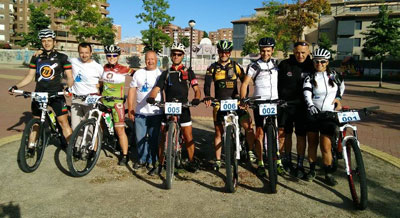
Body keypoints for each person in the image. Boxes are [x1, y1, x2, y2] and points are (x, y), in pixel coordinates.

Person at [8, 28, 73, 145]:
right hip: (39, 94)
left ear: (54, 42)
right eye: (44, 41)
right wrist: (16, 86)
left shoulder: (62, 57)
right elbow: (29, 76)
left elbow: (69, 77)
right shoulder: (36, 57)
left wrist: (69, 87)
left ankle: (72, 148)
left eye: (49, 40)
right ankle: (31, 147)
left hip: (56, 94)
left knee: (63, 122)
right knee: (36, 122)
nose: (46, 43)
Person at [147, 42, 201, 173]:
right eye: (174, 54)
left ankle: (191, 161)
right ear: (171, 56)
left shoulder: (188, 72)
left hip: (183, 107)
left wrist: (196, 98)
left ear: (183, 56)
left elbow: (196, 89)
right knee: (163, 137)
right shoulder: (166, 73)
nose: (176, 56)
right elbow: (157, 88)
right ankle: (160, 165)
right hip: (169, 107)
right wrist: (152, 97)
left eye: (179, 54)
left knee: (188, 136)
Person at [204, 40, 256, 171]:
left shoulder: (236, 66)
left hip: (236, 101)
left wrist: (244, 99)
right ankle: (217, 160)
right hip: (220, 103)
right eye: (221, 51)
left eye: (226, 52)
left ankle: (250, 151)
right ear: (218, 52)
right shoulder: (212, 68)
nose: (224, 54)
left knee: (248, 126)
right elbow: (207, 85)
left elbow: (245, 82)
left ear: (230, 52)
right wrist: (208, 97)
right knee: (218, 132)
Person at [303, 48, 345, 186]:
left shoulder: (333, 75)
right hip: (313, 114)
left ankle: (328, 173)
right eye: (316, 61)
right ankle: (312, 170)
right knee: (312, 143)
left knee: (326, 146)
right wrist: (310, 105)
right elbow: (307, 92)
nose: (319, 64)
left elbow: (341, 87)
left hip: (329, 114)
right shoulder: (310, 76)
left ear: (327, 62)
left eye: (322, 61)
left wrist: (338, 98)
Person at [240, 37, 279, 176]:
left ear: (272, 50)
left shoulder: (276, 64)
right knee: (260, 133)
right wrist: (243, 99)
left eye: (268, 50)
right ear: (260, 50)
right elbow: (245, 84)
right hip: (260, 102)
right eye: (263, 50)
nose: (265, 53)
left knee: (276, 131)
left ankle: (277, 159)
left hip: (275, 101)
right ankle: (261, 162)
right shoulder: (254, 65)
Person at [277, 41, 314, 178]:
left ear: (308, 52)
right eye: (297, 52)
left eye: (303, 52)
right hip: (285, 106)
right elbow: (276, 84)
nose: (300, 55)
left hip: (302, 108)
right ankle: (286, 160)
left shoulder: (312, 65)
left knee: (300, 136)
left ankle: (299, 164)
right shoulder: (285, 64)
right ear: (293, 51)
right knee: (285, 134)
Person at [127, 50, 163, 175]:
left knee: (154, 139)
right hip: (140, 112)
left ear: (157, 60)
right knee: (140, 137)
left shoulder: (161, 74)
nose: (150, 61)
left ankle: (153, 160)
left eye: (153, 59)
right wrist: (130, 107)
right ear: (145, 60)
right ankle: (142, 159)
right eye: (148, 59)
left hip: (156, 113)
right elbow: (132, 90)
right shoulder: (138, 73)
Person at [101, 44, 134, 166]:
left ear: (118, 56)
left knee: (119, 130)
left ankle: (125, 155)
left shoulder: (123, 69)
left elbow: (137, 75)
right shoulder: (103, 68)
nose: (111, 57)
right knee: (100, 127)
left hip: (117, 104)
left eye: (114, 55)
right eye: (108, 55)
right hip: (104, 102)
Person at [69, 42, 103, 130]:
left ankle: (91, 144)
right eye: (81, 53)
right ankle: (77, 144)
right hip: (76, 99)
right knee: (75, 128)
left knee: (90, 128)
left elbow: (103, 82)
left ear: (91, 53)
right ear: (78, 53)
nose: (84, 55)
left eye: (87, 52)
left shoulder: (97, 67)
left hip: (91, 100)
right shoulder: (73, 61)